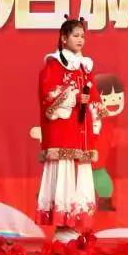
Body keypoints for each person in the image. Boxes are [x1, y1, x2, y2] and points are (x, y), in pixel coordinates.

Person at [37, 17, 100, 242]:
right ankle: (62, 225)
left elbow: (93, 95)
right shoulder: (53, 65)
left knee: (78, 175)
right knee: (64, 174)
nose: (80, 40)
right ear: (64, 38)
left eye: (82, 36)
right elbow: (48, 94)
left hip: (80, 131)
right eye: (75, 35)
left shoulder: (84, 66)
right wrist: (73, 97)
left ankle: (73, 224)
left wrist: (95, 106)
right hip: (63, 131)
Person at [91, 74, 128, 213]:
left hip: (97, 167)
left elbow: (115, 137)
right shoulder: (82, 120)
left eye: (118, 98)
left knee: (105, 185)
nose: (113, 101)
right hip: (77, 166)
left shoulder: (107, 126)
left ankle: (104, 204)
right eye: (106, 98)